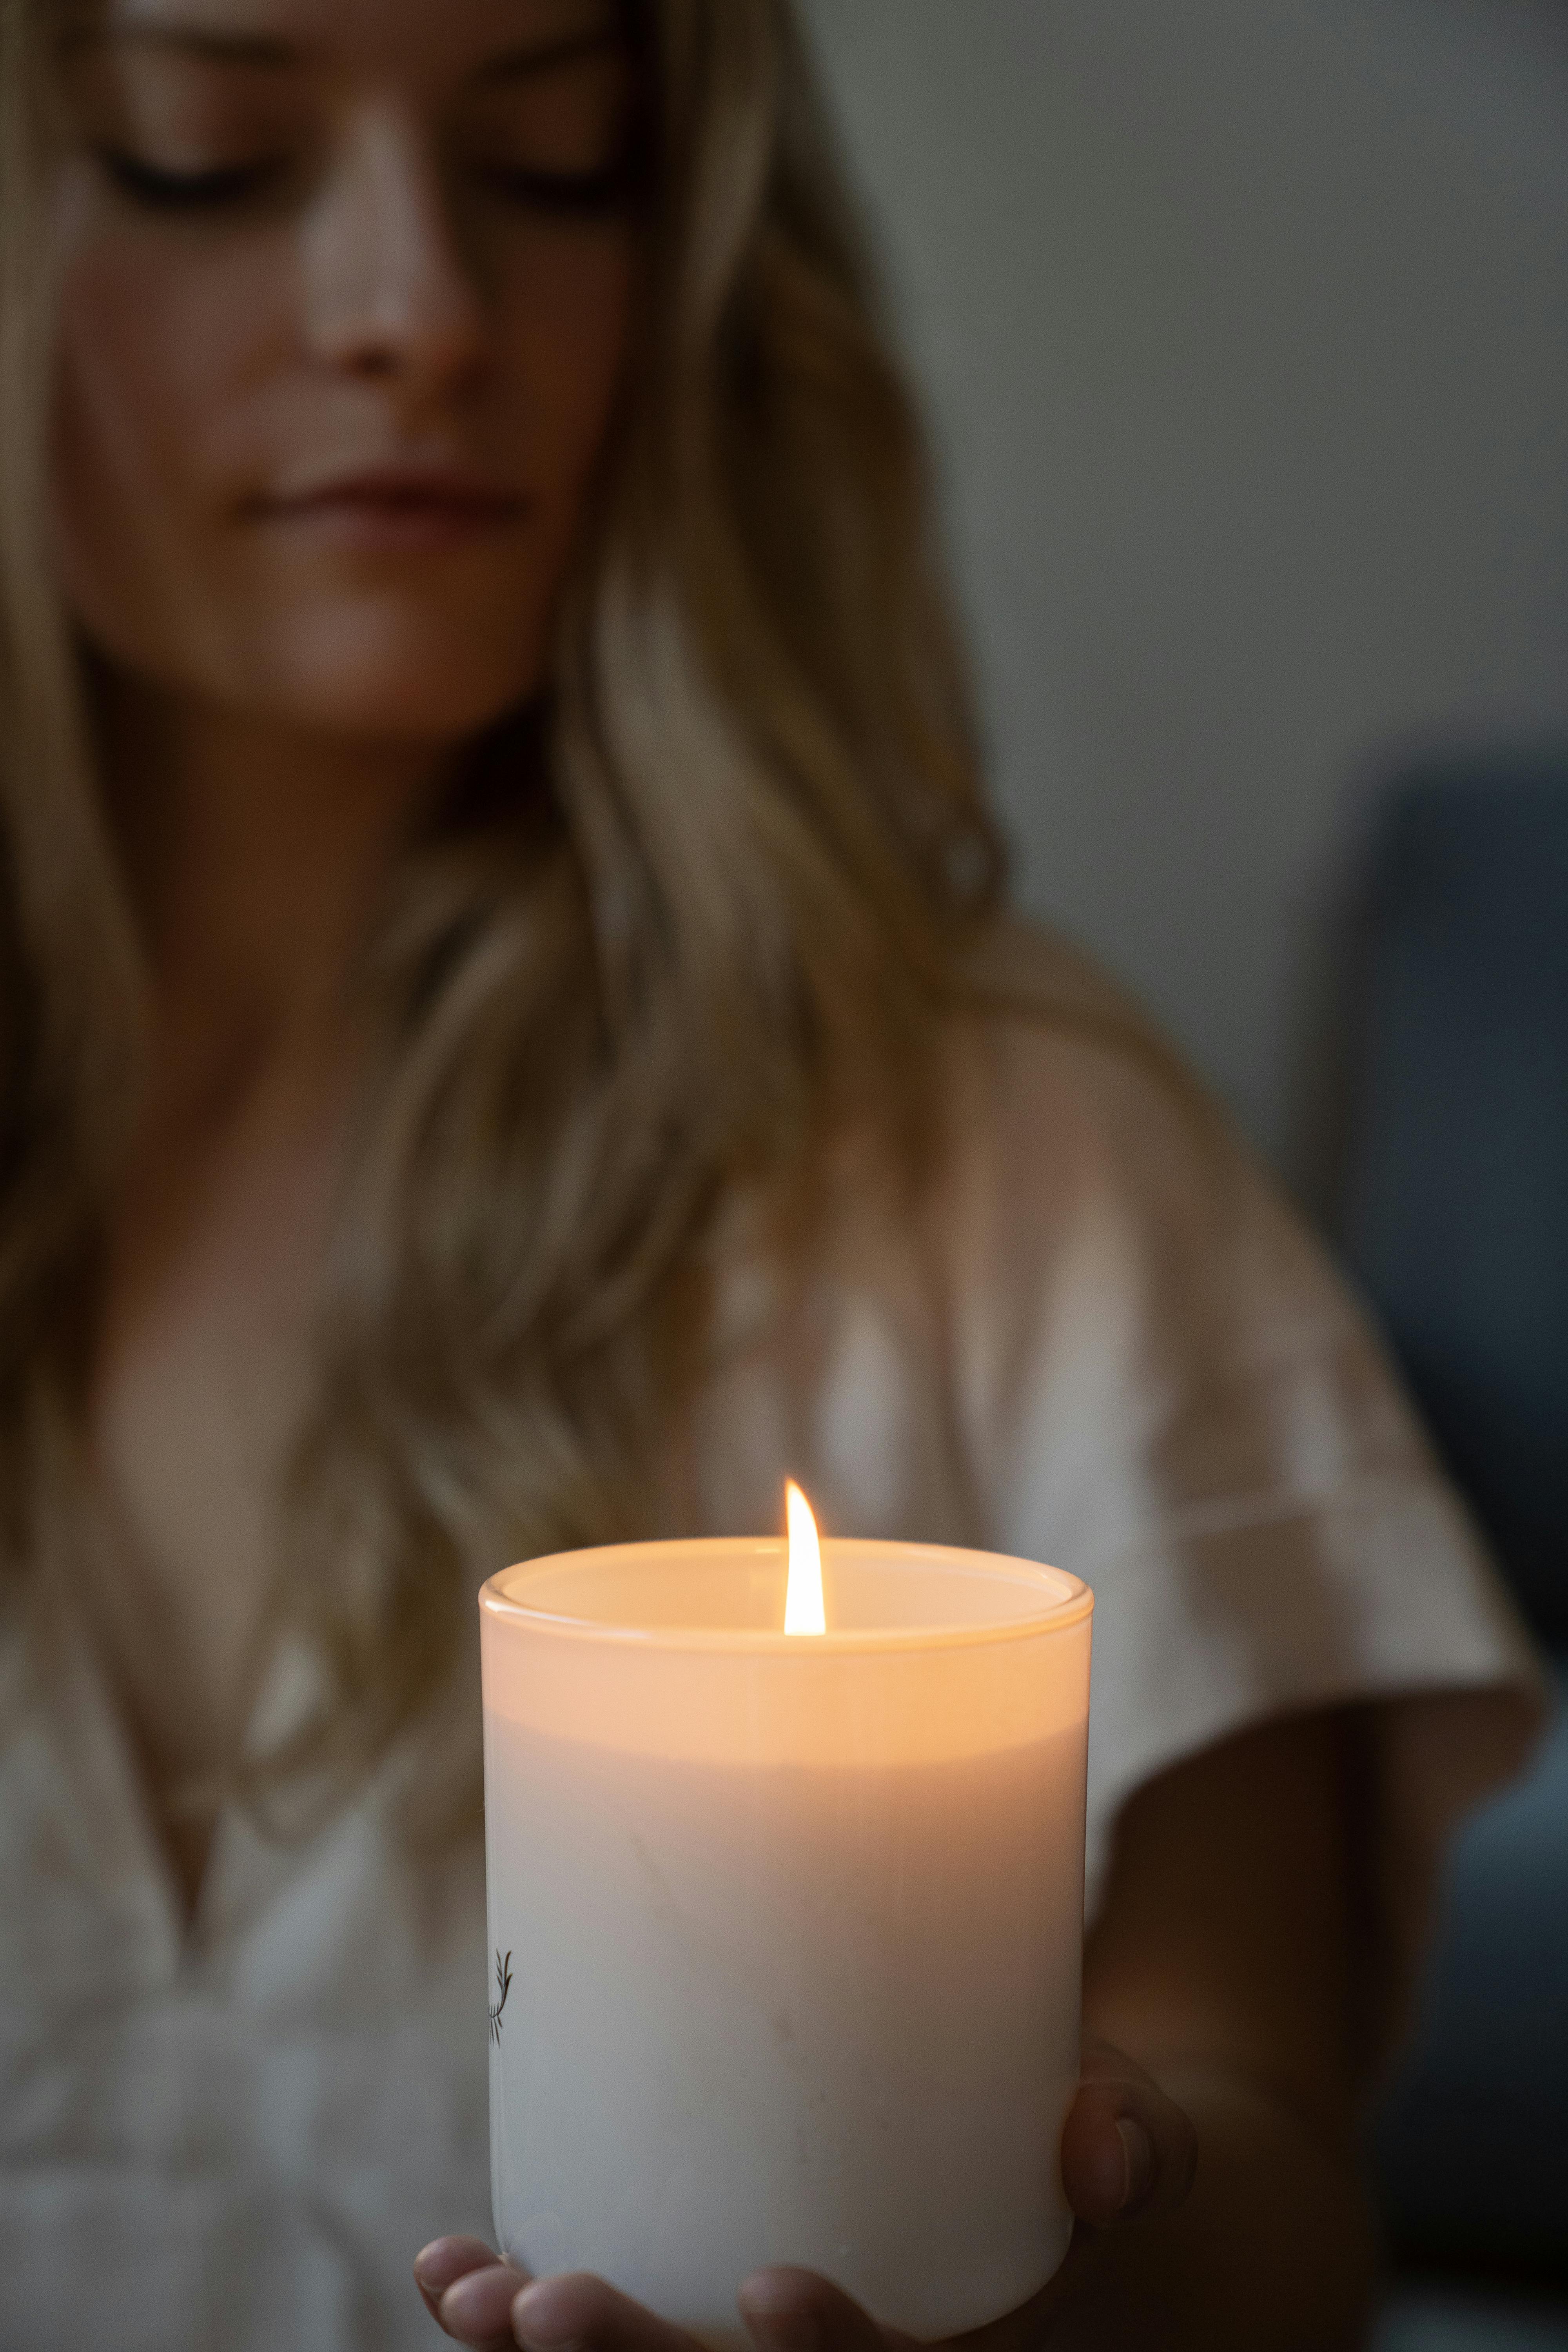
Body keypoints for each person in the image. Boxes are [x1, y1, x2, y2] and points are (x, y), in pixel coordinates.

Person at [0, 0, 1543, 2346]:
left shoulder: (1011, 1150)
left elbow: (1267, 2184)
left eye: (557, 162)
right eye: (211, 156)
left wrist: (1051, 2294)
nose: (417, 305)